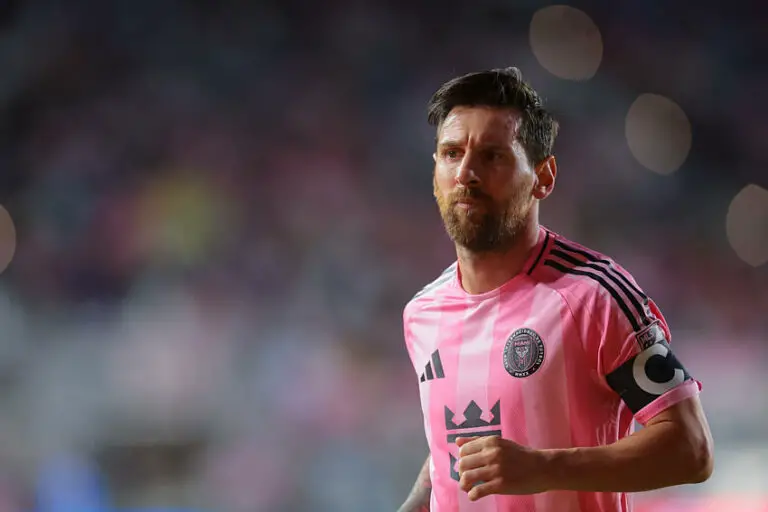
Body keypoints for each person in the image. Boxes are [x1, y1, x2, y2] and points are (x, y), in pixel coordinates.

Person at [397, 67, 714, 512]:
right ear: (435, 172)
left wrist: (546, 468)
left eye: (492, 156)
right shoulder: (423, 313)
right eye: (452, 154)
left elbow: (691, 448)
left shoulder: (594, 296)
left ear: (543, 177)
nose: (466, 172)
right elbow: (448, 451)